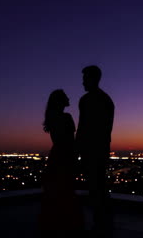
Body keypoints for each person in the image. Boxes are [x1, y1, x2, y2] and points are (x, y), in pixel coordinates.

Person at [38, 89, 85, 235]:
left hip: (56, 155)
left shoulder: (52, 117)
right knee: (66, 188)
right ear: (60, 100)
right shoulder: (66, 117)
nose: (68, 97)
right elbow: (71, 141)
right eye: (65, 96)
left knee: (56, 189)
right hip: (65, 155)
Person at [76, 65, 115, 236]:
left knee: (96, 187)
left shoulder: (88, 101)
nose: (82, 82)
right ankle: (103, 223)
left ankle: (100, 224)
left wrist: (79, 149)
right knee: (99, 187)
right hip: (98, 150)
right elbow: (106, 130)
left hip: (93, 151)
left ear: (93, 79)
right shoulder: (106, 100)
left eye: (85, 78)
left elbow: (83, 128)